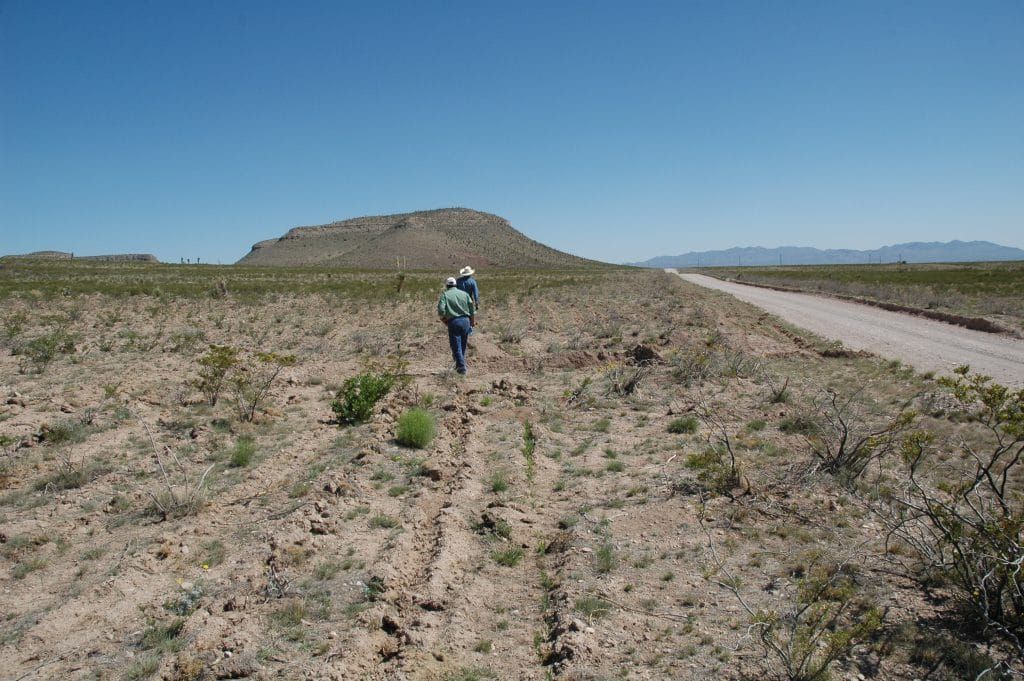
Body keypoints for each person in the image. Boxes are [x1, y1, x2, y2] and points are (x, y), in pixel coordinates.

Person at [437, 276, 475, 374]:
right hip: (466, 321)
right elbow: (472, 309)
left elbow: (441, 310)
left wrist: (445, 320)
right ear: (455, 285)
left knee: (456, 346)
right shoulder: (464, 294)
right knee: (462, 345)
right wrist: (472, 322)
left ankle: (461, 368)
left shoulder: (445, 295)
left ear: (447, 286)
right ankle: (459, 366)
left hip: (454, 322)